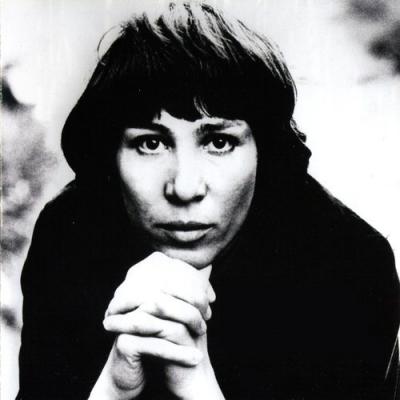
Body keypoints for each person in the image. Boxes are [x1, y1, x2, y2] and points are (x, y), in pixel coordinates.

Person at [17, 2, 399, 399]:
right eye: (150, 143)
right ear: (110, 156)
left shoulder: (351, 265)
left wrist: (197, 385)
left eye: (219, 142)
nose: (184, 188)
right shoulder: (69, 235)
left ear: (264, 154)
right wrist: (113, 386)